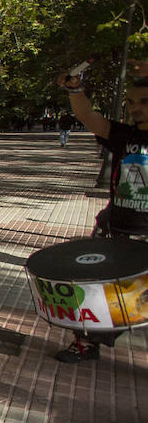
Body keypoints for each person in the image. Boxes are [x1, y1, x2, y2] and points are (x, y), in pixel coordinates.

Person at [53, 69, 148, 362]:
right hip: (117, 228)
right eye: (131, 102)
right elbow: (88, 117)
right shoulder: (125, 135)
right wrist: (75, 91)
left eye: (143, 102)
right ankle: (86, 344)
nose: (135, 108)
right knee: (97, 291)